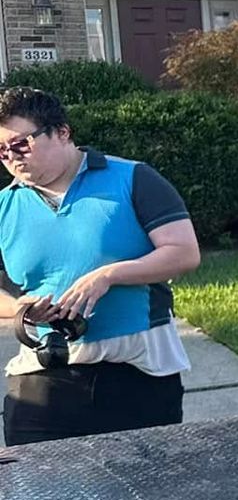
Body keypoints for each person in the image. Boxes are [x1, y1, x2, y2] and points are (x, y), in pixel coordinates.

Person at [0, 87, 200, 444]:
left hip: (140, 373)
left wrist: (110, 275)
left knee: (151, 480)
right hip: (42, 379)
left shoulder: (133, 178)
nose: (12, 158)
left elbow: (183, 252)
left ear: (62, 132)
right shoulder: (5, 206)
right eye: (1, 150)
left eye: (20, 144)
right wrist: (20, 308)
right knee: (37, 482)